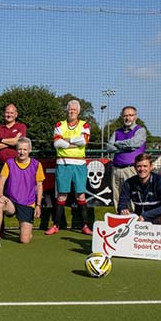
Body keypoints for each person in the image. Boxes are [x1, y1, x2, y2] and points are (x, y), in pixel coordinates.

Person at [47, 100, 92, 235]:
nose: (71, 112)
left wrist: (67, 140)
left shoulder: (84, 124)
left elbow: (84, 140)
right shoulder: (60, 124)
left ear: (78, 112)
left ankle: (85, 226)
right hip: (63, 164)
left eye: (74, 110)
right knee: (61, 196)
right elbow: (56, 143)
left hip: (79, 164)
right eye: (69, 109)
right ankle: (56, 225)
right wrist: (74, 142)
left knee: (80, 195)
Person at [0, 137, 44, 248]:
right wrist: (0, 195)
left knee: (25, 240)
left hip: (27, 203)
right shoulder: (9, 163)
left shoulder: (36, 164)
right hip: (11, 202)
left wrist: (38, 205)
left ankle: (26, 230)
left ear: (30, 150)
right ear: (16, 149)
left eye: (25, 149)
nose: (22, 152)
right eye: (19, 149)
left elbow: (39, 185)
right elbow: (1, 181)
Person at [106, 106, 146, 210]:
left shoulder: (140, 130)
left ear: (135, 117)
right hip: (116, 170)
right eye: (125, 115)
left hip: (131, 169)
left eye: (130, 115)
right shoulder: (117, 132)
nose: (127, 118)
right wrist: (125, 147)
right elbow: (109, 147)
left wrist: (118, 144)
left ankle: (136, 222)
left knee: (133, 197)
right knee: (117, 198)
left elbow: (133, 144)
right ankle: (119, 221)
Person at [118, 153, 161, 225]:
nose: (142, 169)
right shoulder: (129, 183)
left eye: (145, 166)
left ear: (151, 167)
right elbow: (121, 204)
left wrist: (146, 216)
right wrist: (123, 210)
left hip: (157, 217)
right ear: (135, 168)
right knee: (118, 217)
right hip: (138, 217)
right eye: (139, 166)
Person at [0, 104, 27, 191]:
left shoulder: (21, 127)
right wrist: (11, 142)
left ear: (16, 114)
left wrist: (1, 140)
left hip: (16, 164)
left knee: (14, 190)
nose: (9, 115)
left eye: (11, 113)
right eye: (7, 112)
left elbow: (18, 142)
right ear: (4, 113)